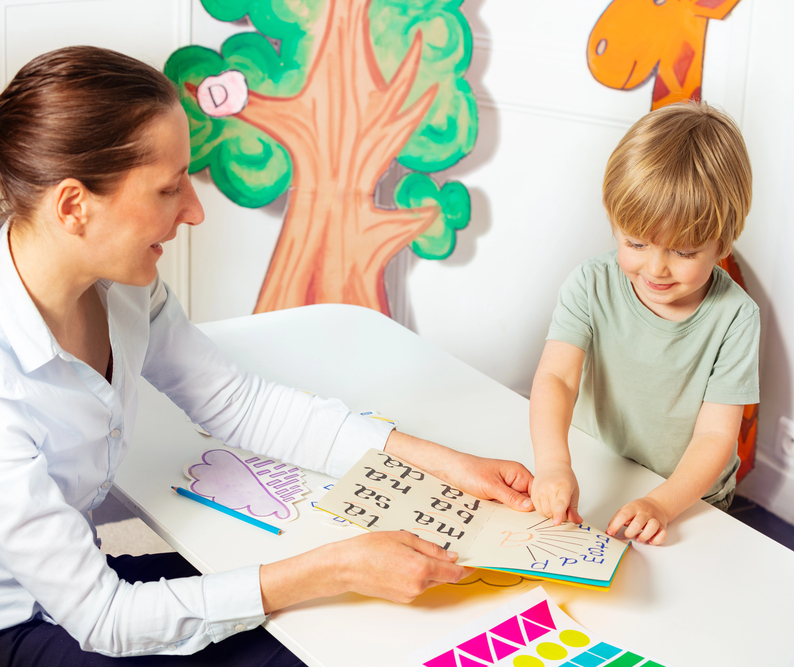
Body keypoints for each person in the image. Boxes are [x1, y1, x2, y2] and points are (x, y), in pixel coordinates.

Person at [0, 46, 534, 666]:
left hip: (75, 588)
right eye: (169, 188)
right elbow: (107, 619)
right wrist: (332, 568)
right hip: (25, 628)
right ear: (73, 206)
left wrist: (447, 465)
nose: (194, 210)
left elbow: (239, 403)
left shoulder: (124, 290)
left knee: (344, 625)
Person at [528, 101, 758, 545]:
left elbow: (715, 436)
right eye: (636, 243)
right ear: (615, 224)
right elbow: (557, 377)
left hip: (687, 496)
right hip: (600, 463)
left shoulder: (736, 318)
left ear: (723, 243)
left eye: (683, 251)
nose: (655, 268)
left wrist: (663, 503)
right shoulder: (591, 283)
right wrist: (554, 464)